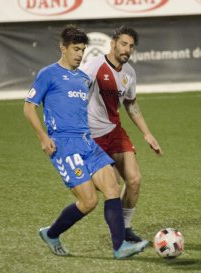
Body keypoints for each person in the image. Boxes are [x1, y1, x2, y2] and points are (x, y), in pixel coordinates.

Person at [23, 25, 148, 259]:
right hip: (64, 145)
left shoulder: (83, 78)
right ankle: (51, 233)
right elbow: (29, 108)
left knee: (112, 187)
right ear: (64, 48)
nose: (80, 55)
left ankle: (119, 247)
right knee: (89, 201)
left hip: (87, 141)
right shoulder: (48, 74)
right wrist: (43, 137)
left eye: (83, 50)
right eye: (76, 50)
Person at [81, 26, 162, 243]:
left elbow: (131, 105)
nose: (127, 49)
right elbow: (76, 95)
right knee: (112, 188)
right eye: (124, 44)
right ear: (113, 43)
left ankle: (124, 230)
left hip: (115, 132)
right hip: (92, 136)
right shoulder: (94, 65)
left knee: (134, 181)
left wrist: (147, 134)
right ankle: (116, 236)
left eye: (131, 46)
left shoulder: (129, 74)